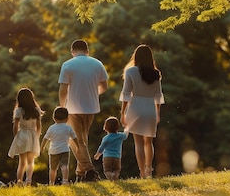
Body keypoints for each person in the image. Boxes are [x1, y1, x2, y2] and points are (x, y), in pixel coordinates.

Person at [58, 39, 109, 182]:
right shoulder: (97, 63)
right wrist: (93, 92)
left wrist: (62, 107)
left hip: (72, 108)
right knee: (82, 140)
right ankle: (80, 175)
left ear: (72, 51)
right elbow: (104, 87)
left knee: (75, 141)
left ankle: (90, 170)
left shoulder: (67, 65)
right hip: (91, 107)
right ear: (87, 50)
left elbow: (63, 90)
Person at [120, 44, 165, 178]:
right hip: (150, 108)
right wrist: (157, 113)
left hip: (135, 107)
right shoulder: (156, 73)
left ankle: (141, 172)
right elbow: (158, 96)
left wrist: (123, 112)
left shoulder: (130, 72)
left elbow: (126, 94)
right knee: (149, 142)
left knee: (138, 142)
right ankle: (149, 170)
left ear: (136, 56)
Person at [7, 87, 43, 186]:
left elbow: (15, 126)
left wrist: (16, 137)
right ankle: (28, 181)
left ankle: (19, 181)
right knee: (31, 161)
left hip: (22, 134)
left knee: (22, 162)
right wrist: (37, 136)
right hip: (32, 135)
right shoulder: (36, 110)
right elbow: (39, 126)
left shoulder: (18, 110)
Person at [41, 107, 79, 185]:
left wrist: (42, 147)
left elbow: (45, 138)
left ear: (54, 118)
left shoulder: (52, 128)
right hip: (65, 150)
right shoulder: (68, 127)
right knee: (64, 166)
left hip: (53, 151)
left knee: (53, 168)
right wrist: (77, 146)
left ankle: (51, 182)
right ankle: (65, 181)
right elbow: (74, 138)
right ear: (67, 118)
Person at [93, 117, 129, 181]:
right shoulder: (120, 136)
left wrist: (97, 155)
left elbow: (101, 148)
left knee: (107, 171)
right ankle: (114, 175)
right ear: (117, 127)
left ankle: (111, 176)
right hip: (117, 157)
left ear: (105, 127)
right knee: (116, 170)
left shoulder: (106, 138)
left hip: (107, 157)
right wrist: (127, 127)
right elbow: (126, 134)